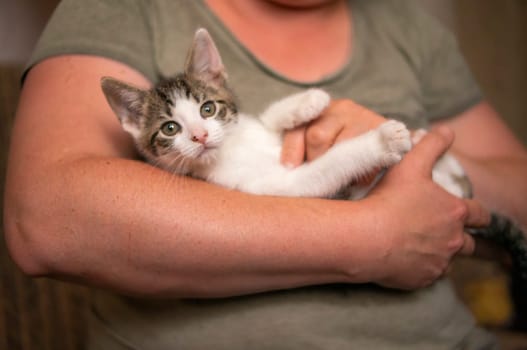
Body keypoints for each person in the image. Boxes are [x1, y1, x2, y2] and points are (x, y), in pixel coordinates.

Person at [4, 0, 527, 348]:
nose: (202, 134)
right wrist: (379, 238)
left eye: (208, 114)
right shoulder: (123, 8)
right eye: (176, 129)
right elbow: (45, 223)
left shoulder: (409, 26)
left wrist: (422, 159)